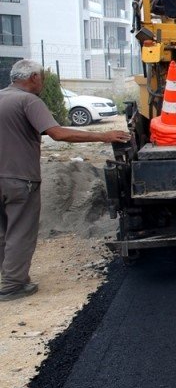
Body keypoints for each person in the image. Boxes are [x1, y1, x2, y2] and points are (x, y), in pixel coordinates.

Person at [1, 60, 131, 301]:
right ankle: (12, 286)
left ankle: (6, 276)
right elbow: (58, 133)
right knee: (19, 231)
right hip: (19, 179)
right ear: (33, 78)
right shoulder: (28, 101)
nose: (42, 82)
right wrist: (103, 136)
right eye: (41, 77)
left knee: (2, 232)